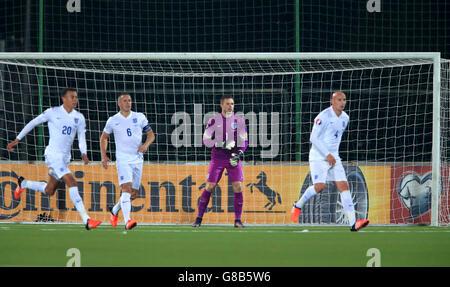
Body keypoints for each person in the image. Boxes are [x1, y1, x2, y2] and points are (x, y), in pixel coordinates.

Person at [6, 88, 102, 230]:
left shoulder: (79, 118)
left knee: (50, 190)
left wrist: (84, 153)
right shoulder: (52, 112)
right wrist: (18, 139)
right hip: (52, 155)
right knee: (71, 181)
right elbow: (33, 123)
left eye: (76, 97)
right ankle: (87, 220)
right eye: (72, 97)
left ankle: (24, 183)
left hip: (64, 159)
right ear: (64, 99)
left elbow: (82, 137)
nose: (75, 99)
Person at [290, 91, 369, 231]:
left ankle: (353, 223)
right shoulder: (323, 116)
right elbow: (313, 138)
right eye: (339, 100)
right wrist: (327, 155)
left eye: (344, 100)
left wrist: (333, 156)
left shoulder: (345, 118)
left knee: (344, 186)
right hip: (318, 156)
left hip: (334, 157)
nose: (342, 102)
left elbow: (334, 139)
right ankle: (298, 206)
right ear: (332, 101)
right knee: (319, 187)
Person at [100, 93, 155, 230]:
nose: (128, 103)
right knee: (127, 188)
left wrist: (145, 145)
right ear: (119, 103)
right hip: (123, 159)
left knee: (133, 194)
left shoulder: (139, 117)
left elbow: (151, 135)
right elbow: (104, 138)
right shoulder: (113, 120)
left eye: (129, 100)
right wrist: (104, 155)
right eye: (125, 101)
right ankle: (127, 221)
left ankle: (114, 210)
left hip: (137, 159)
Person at [192, 95, 248, 228]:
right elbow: (205, 140)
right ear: (221, 105)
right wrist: (220, 144)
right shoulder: (213, 120)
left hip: (233, 158)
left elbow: (244, 140)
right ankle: (199, 219)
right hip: (217, 158)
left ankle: (237, 220)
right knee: (210, 187)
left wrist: (239, 153)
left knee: (238, 187)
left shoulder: (239, 121)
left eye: (232, 104)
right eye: (228, 104)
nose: (230, 106)